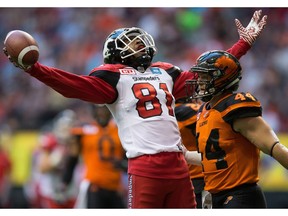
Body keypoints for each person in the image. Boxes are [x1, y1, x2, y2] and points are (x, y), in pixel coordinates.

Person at [3, 10, 267, 208]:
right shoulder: (112, 77)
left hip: (178, 163)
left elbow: (211, 73)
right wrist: (34, 69)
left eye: (138, 40)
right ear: (115, 53)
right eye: (130, 42)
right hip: (145, 166)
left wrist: (242, 45)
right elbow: (72, 85)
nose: (139, 43)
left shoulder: (164, 72)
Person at [183, 50, 288, 208]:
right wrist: (185, 155)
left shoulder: (235, 107)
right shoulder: (204, 110)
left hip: (241, 195)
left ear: (221, 79)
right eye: (200, 76)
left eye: (205, 77)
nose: (199, 82)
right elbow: (216, 158)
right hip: (216, 196)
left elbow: (273, 147)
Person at [62, 104, 127, 208]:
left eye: (104, 109)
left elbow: (127, 158)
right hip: (94, 186)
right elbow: (73, 157)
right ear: (93, 111)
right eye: (99, 109)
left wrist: (124, 165)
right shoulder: (83, 132)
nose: (102, 113)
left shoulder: (119, 130)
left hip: (116, 187)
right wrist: (66, 180)